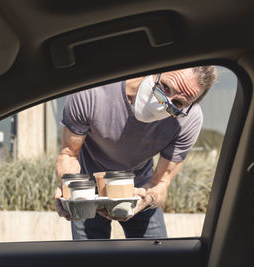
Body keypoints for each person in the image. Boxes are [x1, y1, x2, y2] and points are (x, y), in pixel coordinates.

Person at [55, 66, 217, 239]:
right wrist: (69, 188)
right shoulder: (92, 90)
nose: (164, 104)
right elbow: (69, 154)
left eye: (177, 104)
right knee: (89, 258)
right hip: (87, 190)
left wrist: (147, 200)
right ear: (154, 69)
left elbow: (161, 182)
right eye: (165, 87)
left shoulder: (187, 120)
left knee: (154, 257)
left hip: (139, 189)